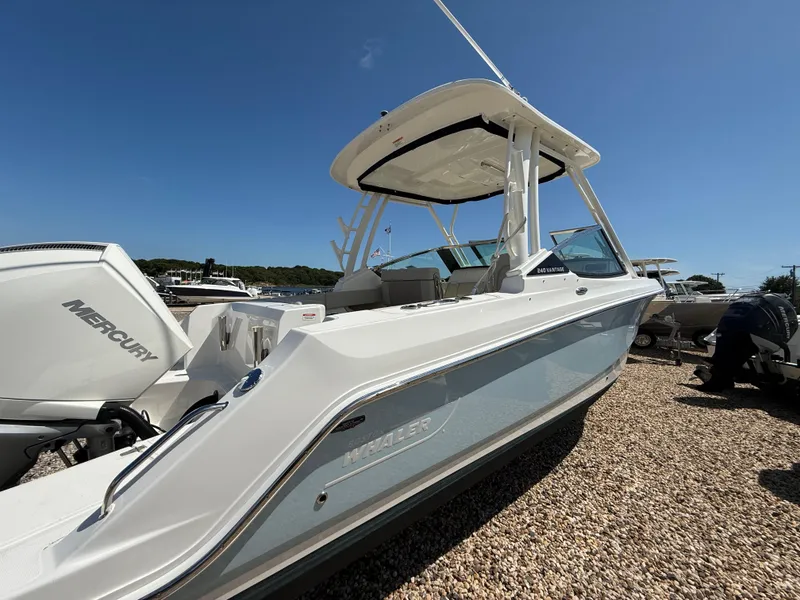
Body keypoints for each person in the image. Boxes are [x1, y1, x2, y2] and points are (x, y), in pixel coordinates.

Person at [696, 293, 797, 392]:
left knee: (728, 355)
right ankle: (720, 381)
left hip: (736, 327)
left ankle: (719, 381)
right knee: (731, 356)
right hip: (747, 330)